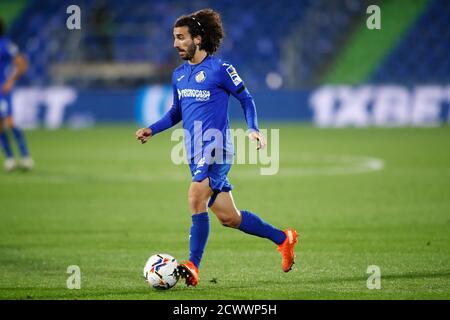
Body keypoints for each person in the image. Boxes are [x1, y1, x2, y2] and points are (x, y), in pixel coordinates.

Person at [135, 9, 298, 287]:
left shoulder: (220, 69)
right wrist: (153, 128)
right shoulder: (178, 75)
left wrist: (254, 129)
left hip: (217, 147)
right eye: (174, 38)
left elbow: (246, 99)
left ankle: (192, 265)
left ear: (197, 39)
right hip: (194, 151)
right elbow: (176, 111)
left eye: (181, 38)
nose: (175, 44)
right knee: (229, 218)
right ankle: (284, 239)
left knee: (195, 195)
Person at [0, 18, 33, 171]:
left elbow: (22, 63)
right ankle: (10, 159)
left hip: (3, 91)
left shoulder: (6, 44)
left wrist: (10, 81)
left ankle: (25, 157)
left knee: (10, 123)